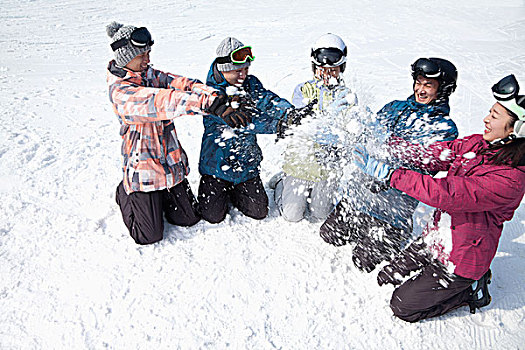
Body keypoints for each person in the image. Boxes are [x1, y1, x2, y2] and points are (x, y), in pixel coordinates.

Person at [353, 74, 525, 322]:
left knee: (403, 305)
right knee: (387, 276)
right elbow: (434, 154)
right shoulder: (479, 144)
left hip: (463, 257)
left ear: (516, 130)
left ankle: (470, 289)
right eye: (490, 112)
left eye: (494, 117)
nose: (486, 119)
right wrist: (387, 145)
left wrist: (389, 174)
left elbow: (446, 193)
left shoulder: (509, 180)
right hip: (438, 237)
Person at [107, 22, 244, 244]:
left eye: (149, 53)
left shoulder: (148, 74)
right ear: (125, 56)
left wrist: (216, 97)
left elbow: (182, 84)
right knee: (149, 235)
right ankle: (125, 192)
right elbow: (162, 100)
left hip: (168, 165)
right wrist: (208, 105)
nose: (148, 59)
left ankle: (159, 197)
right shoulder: (121, 92)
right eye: (142, 55)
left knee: (188, 218)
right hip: (144, 171)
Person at [320, 57, 459, 272]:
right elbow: (368, 137)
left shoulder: (444, 128)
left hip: (392, 212)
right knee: (329, 235)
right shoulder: (395, 107)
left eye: (428, 85)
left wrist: (388, 172)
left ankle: (395, 233)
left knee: (362, 260)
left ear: (443, 90)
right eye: (418, 83)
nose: (420, 90)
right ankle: (361, 221)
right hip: (361, 198)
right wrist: (352, 119)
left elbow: (426, 161)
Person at [198, 37, 311, 224]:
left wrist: (289, 113)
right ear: (224, 69)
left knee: (259, 211)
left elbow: (268, 100)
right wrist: (278, 125)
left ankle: (239, 189)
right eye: (237, 71)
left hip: (245, 165)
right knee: (212, 216)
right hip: (216, 167)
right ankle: (220, 190)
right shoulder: (212, 96)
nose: (243, 75)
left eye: (246, 69)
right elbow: (246, 123)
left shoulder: (250, 84)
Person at [273, 33, 358, 222]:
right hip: (301, 165)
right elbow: (303, 123)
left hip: (327, 168)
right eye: (322, 68)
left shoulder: (347, 96)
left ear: (341, 68)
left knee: (320, 214)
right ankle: (282, 182)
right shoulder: (303, 90)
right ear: (314, 67)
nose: (327, 74)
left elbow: (348, 128)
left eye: (333, 69)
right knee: (292, 215)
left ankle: (317, 192)